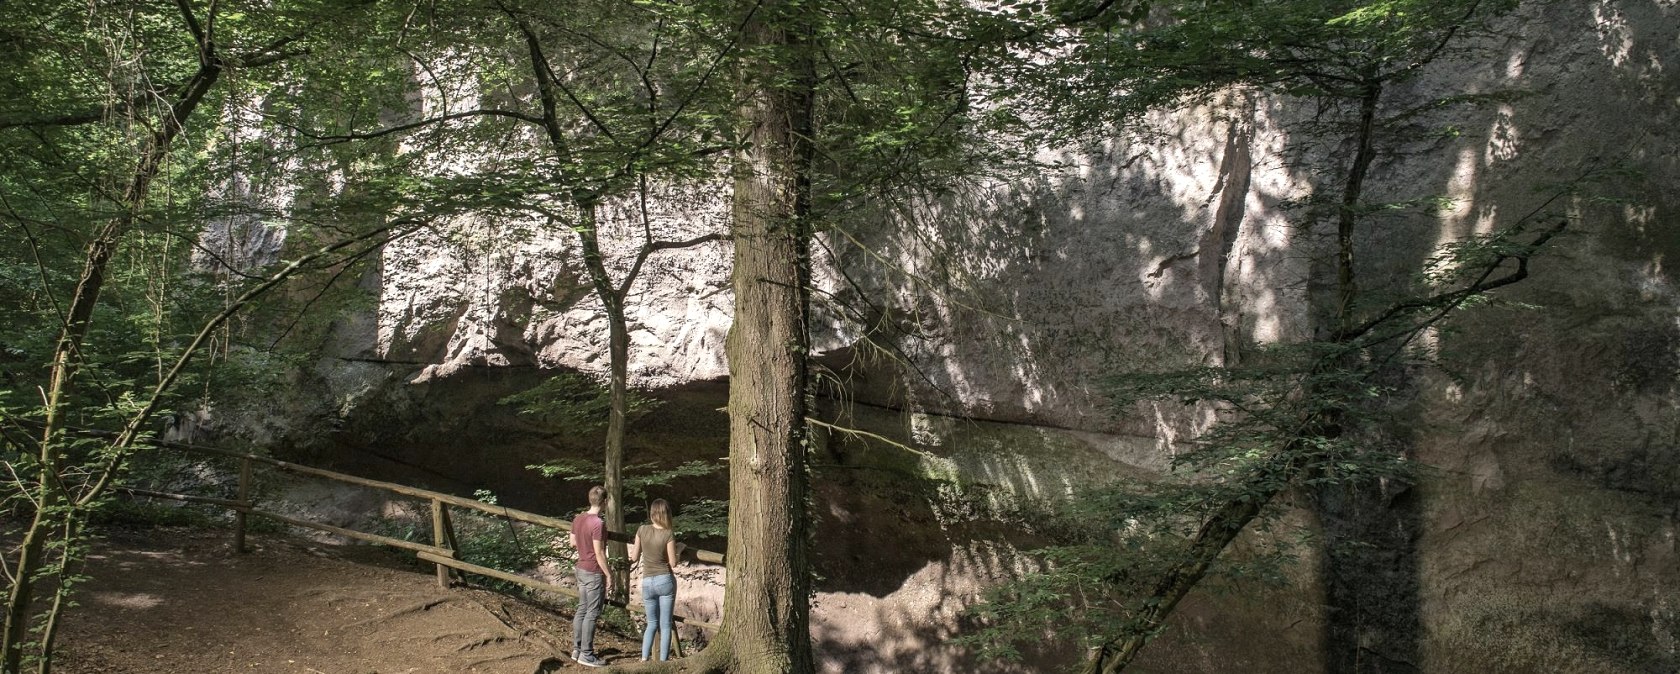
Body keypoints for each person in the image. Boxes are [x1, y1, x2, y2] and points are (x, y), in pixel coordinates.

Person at [629, 498, 679, 662]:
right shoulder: (668, 534)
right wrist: (680, 550)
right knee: (665, 625)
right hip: (664, 580)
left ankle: (644, 659)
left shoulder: (642, 530)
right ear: (666, 514)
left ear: (652, 513)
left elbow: (634, 557)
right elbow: (673, 562)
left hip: (647, 582)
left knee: (651, 624)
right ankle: (663, 663)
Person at [570, 486, 610, 668]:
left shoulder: (578, 518)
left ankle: (576, 650)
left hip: (580, 568)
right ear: (604, 502)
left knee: (582, 609)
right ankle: (587, 654)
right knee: (592, 613)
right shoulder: (598, 524)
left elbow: (572, 542)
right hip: (593, 571)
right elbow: (599, 552)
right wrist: (609, 574)